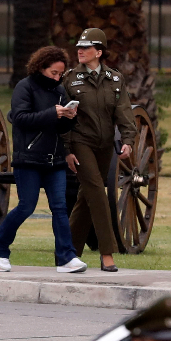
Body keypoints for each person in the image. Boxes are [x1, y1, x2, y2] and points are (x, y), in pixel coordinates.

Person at [0, 46, 87, 274]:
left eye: (60, 74)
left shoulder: (60, 91)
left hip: (54, 160)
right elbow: (20, 118)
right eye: (53, 73)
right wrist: (54, 113)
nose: (57, 77)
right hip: (29, 158)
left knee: (60, 208)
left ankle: (66, 258)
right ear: (41, 67)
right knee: (26, 206)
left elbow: (59, 126)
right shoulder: (25, 87)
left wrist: (68, 117)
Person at [62, 27, 136, 272]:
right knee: (96, 190)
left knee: (87, 196)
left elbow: (123, 111)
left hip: (105, 145)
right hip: (80, 142)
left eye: (86, 48)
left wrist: (128, 139)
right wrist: (67, 150)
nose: (80, 51)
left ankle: (66, 252)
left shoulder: (115, 79)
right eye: (79, 48)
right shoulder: (70, 79)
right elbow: (63, 117)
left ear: (99, 52)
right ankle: (107, 253)